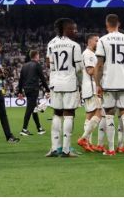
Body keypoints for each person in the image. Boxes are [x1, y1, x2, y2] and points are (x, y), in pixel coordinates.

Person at [94, 13, 124, 156]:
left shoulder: (102, 40)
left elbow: (99, 65)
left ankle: (111, 149)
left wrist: (97, 84)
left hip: (109, 82)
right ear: (119, 24)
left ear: (107, 25)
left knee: (110, 115)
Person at [45, 17, 83, 158]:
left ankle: (55, 148)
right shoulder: (74, 46)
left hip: (55, 83)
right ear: (66, 29)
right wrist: (81, 84)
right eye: (73, 28)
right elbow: (79, 69)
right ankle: (66, 150)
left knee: (57, 114)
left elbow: (49, 64)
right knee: (69, 114)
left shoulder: (51, 44)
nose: (75, 31)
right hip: (70, 83)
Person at [77, 34, 104, 152]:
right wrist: (103, 67)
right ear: (89, 41)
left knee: (90, 115)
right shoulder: (88, 54)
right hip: (92, 87)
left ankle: (88, 143)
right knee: (100, 112)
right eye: (96, 40)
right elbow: (90, 71)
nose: (98, 42)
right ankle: (83, 138)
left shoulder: (91, 54)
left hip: (90, 88)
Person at [17, 50, 47, 137]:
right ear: (36, 56)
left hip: (26, 89)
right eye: (38, 55)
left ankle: (39, 128)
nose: (39, 57)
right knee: (29, 109)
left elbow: (21, 80)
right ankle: (24, 129)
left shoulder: (24, 66)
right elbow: (42, 78)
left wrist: (19, 91)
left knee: (33, 108)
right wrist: (47, 89)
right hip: (33, 89)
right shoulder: (37, 65)